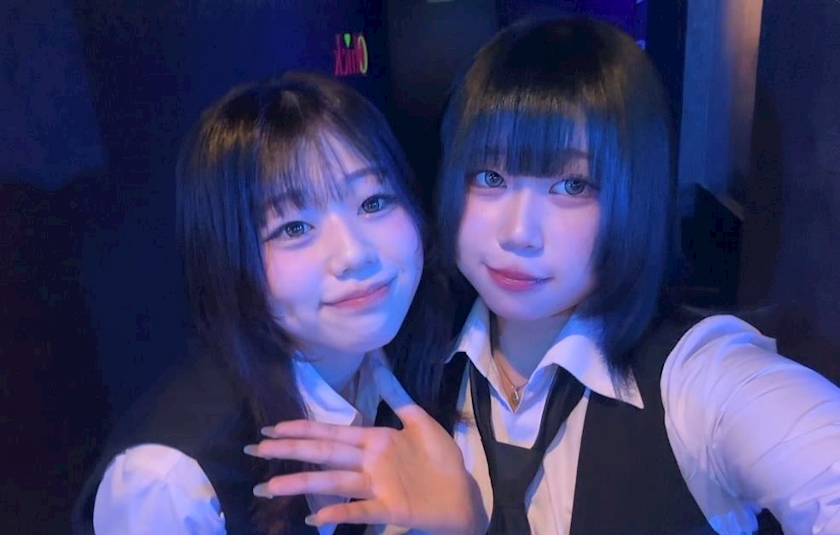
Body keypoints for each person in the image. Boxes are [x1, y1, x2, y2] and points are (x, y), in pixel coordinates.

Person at [247, 18, 840, 535]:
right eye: (490, 177)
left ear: (635, 197)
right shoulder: (401, 357)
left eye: (571, 185)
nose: (519, 233)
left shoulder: (699, 379)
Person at [70, 72, 476, 535]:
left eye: (373, 202)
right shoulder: (169, 483)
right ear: (228, 258)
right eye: (294, 228)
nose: (354, 254)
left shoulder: (430, 353)